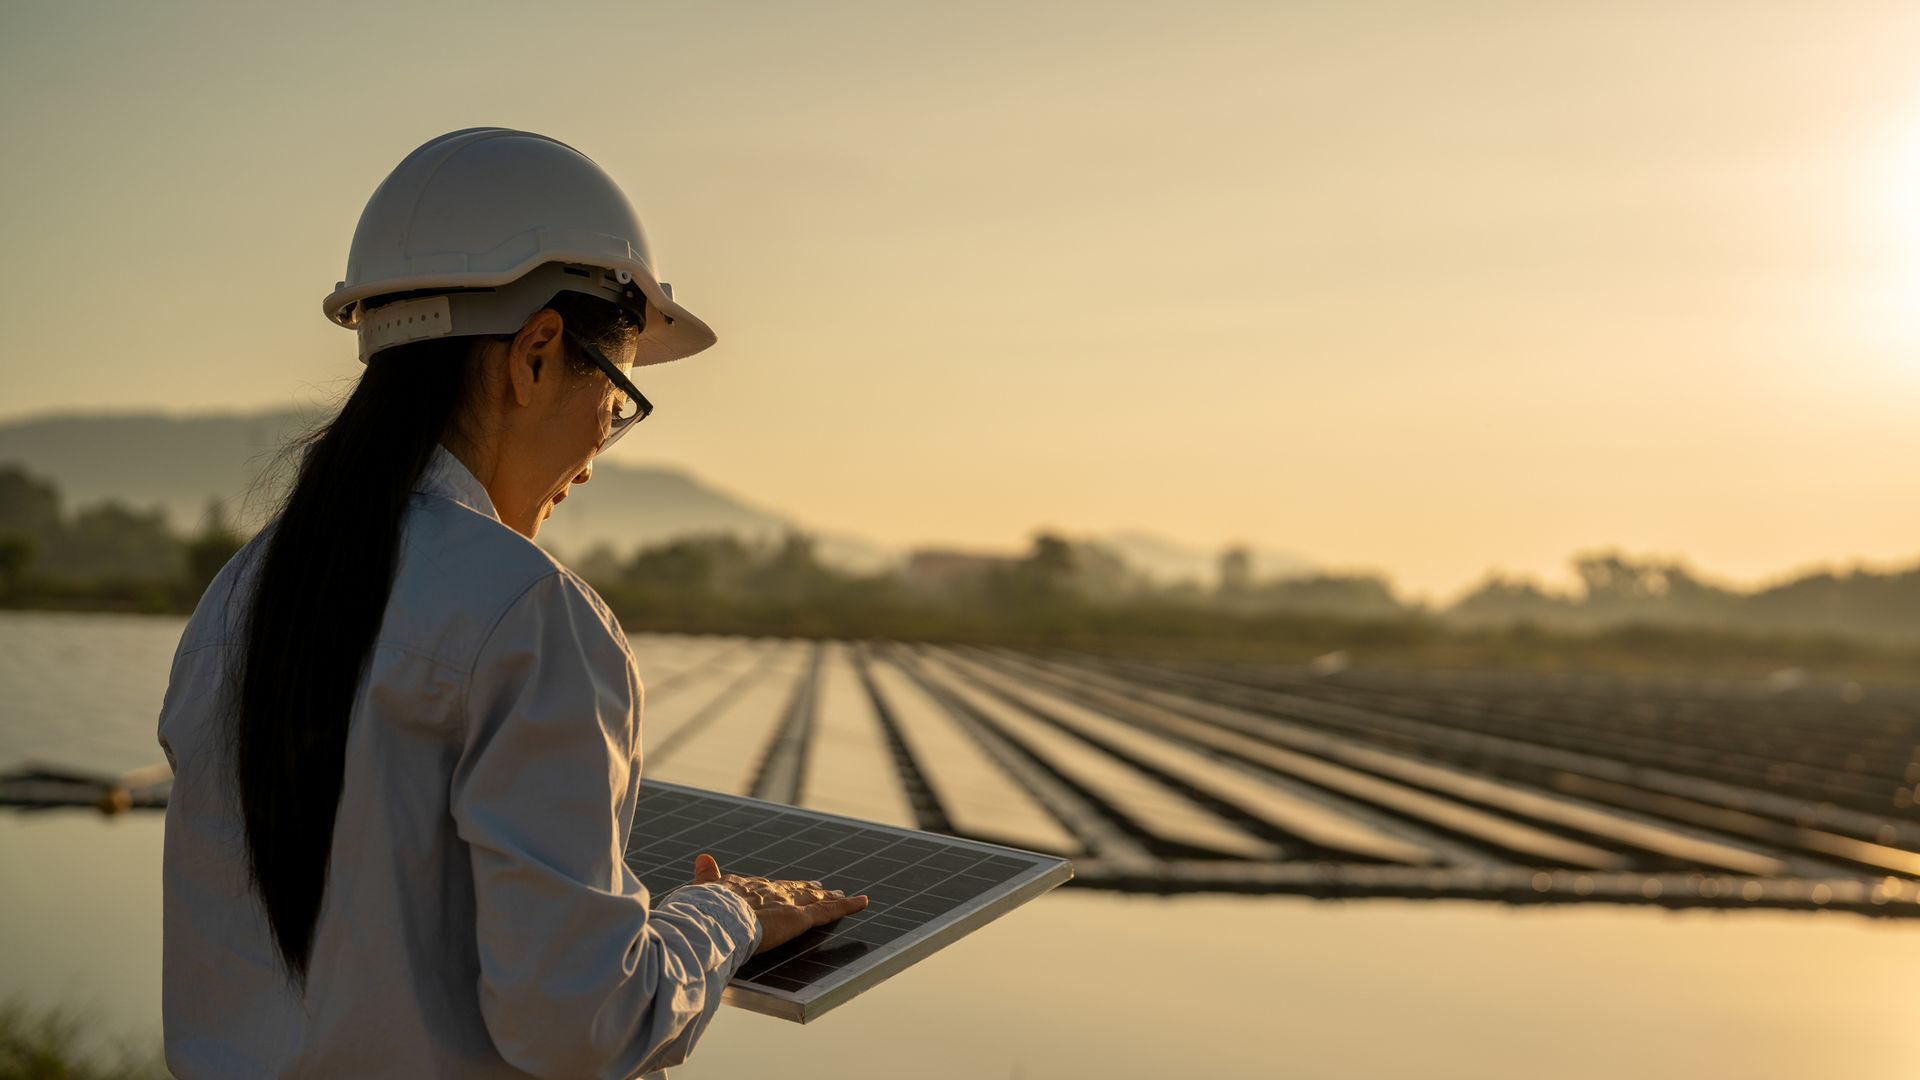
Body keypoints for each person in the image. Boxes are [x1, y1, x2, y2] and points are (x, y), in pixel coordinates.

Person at [156, 128, 867, 1078]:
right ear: (536, 355)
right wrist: (725, 913)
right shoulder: (530, 616)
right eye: (616, 407)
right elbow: (583, 1026)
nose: (595, 458)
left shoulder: (240, 594)